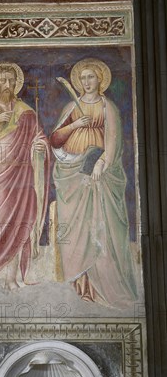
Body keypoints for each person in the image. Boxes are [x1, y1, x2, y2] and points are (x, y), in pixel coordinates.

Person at [51, 58, 138, 307]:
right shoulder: (71, 106)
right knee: (77, 226)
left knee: (100, 224)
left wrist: (103, 163)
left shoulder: (106, 106)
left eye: (92, 77)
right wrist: (75, 125)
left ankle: (103, 283)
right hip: (72, 175)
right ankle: (81, 281)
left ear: (101, 80)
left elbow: (113, 139)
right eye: (84, 78)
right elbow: (55, 139)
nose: (87, 82)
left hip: (98, 173)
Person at [0, 63, 50, 290]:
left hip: (20, 175)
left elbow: (40, 137)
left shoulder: (25, 111)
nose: (8, 85)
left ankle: (12, 278)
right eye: (3, 80)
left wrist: (39, 145)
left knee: (18, 223)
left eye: (11, 81)